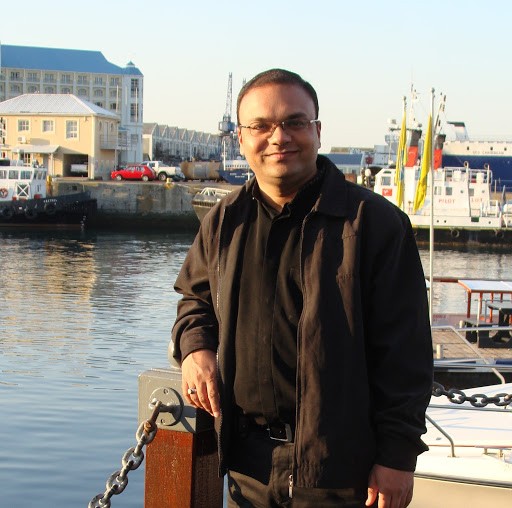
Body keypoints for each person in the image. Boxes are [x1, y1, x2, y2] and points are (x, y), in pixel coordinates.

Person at [171, 68, 433, 508]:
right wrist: (196, 348)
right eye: (261, 126)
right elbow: (195, 299)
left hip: (343, 472)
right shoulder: (223, 222)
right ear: (241, 138)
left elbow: (406, 354)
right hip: (248, 467)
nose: (279, 137)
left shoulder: (375, 225)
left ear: (317, 130)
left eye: (294, 122)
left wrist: (397, 457)